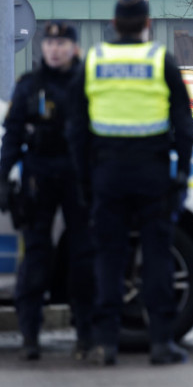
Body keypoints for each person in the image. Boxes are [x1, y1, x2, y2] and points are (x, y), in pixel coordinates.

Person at [68, 0, 193, 366]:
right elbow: (185, 127)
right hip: (152, 173)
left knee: (109, 257)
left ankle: (106, 344)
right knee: (157, 256)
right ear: (147, 24)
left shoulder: (94, 61)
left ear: (112, 23)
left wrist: (84, 180)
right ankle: (160, 343)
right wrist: (182, 175)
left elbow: (77, 130)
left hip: (106, 174)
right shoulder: (161, 61)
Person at [0, 22, 95, 361]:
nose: (55, 48)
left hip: (78, 178)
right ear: (43, 48)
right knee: (36, 259)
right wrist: (1, 178)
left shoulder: (87, 84)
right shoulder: (29, 86)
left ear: (73, 47)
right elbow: (11, 136)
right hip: (38, 177)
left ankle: (85, 336)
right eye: (50, 42)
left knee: (83, 260)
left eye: (62, 42)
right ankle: (30, 337)